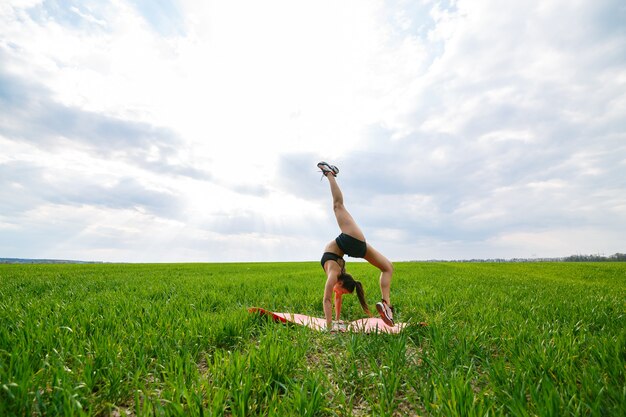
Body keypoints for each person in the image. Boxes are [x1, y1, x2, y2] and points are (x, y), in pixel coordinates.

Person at [318, 161, 395, 331]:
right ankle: (386, 305)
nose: (339, 294)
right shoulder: (337, 274)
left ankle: (329, 173)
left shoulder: (334, 274)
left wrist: (330, 326)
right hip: (352, 243)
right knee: (387, 268)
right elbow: (335, 298)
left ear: (340, 284)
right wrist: (335, 322)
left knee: (338, 205)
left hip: (351, 242)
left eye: (341, 292)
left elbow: (327, 299)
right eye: (343, 293)